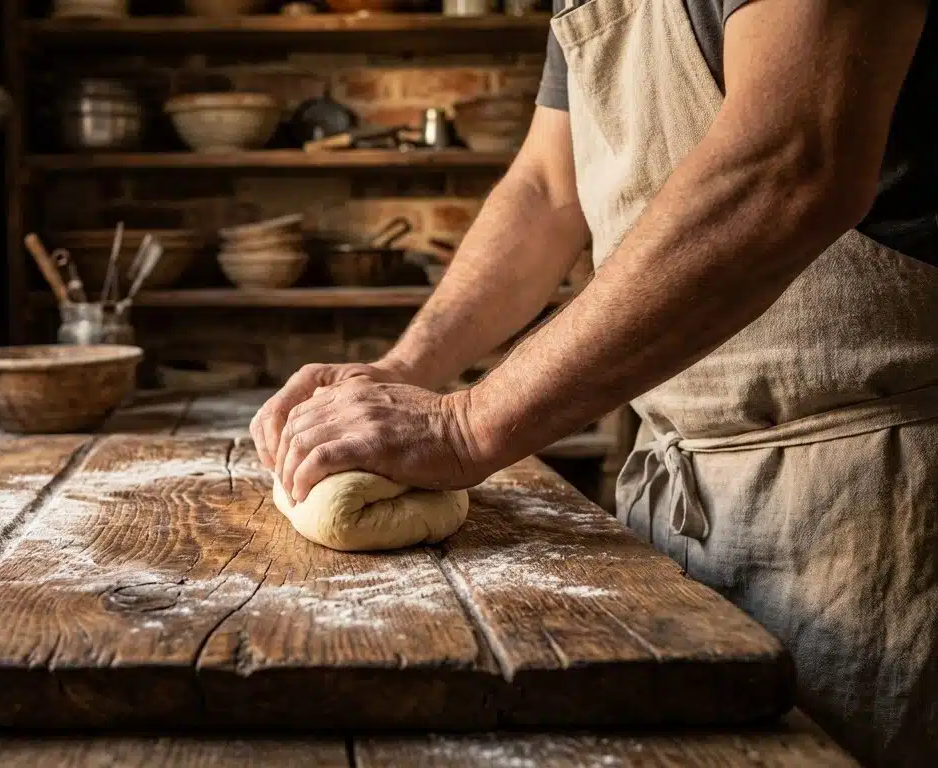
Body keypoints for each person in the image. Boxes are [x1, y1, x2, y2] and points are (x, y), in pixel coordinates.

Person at [250, 1, 938, 764]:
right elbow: (547, 190)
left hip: (874, 494)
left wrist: (463, 426)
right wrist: (401, 370)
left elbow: (788, 165)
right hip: (681, 495)